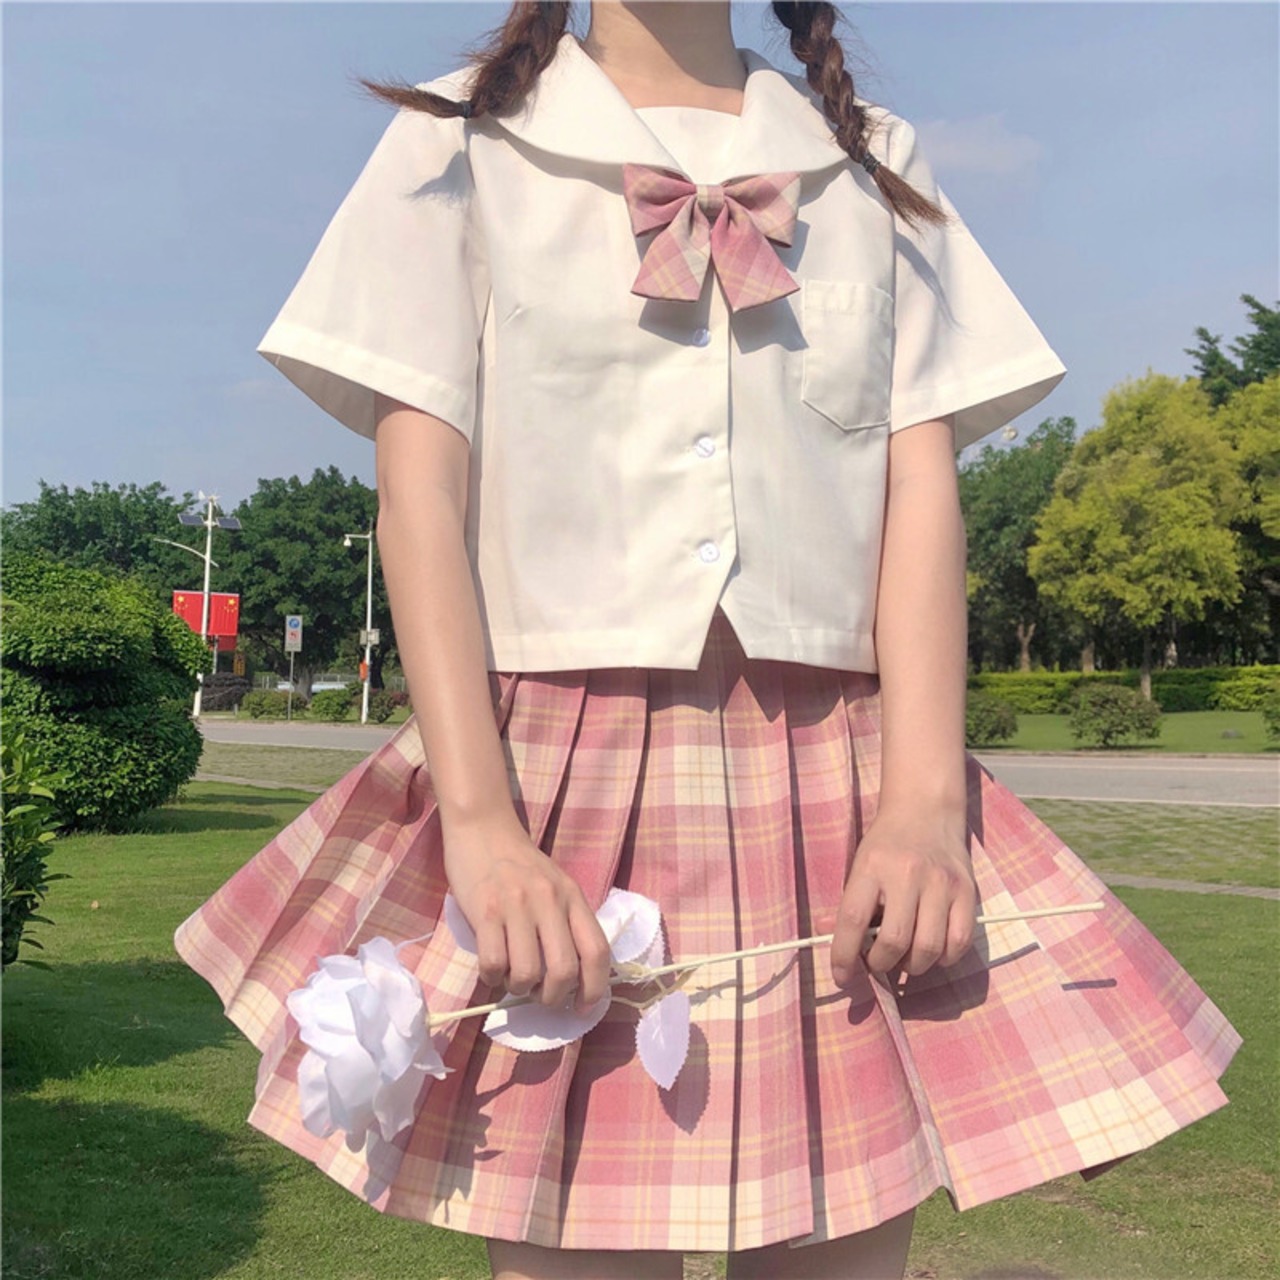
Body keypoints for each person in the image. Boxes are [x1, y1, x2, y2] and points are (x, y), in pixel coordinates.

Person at [173, 3, 1242, 1278]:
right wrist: (481, 826)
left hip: (838, 794)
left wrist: (920, 807)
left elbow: (919, 490)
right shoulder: (459, 143)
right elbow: (420, 497)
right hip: (555, 788)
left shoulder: (869, 163)